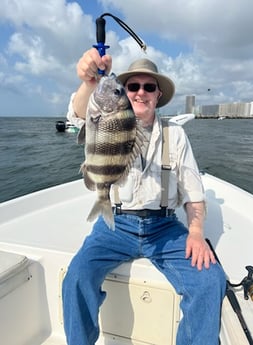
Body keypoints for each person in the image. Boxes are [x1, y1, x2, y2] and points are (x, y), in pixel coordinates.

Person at [63, 48, 226, 345]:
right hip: (115, 225)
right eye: (133, 86)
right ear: (124, 92)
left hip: (164, 228)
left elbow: (192, 191)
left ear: (157, 94)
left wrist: (196, 232)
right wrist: (88, 82)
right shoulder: (106, 117)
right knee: (76, 276)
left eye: (148, 87)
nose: (140, 93)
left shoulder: (175, 134)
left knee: (210, 280)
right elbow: (76, 114)